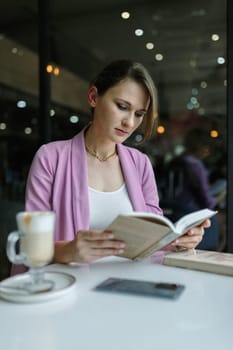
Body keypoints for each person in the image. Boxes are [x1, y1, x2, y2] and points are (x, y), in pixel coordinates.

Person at [15, 60, 210, 271]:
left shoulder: (141, 164)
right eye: (122, 107)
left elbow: (151, 240)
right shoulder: (50, 158)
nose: (129, 123)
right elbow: (30, 246)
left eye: (139, 114)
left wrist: (179, 240)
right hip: (70, 287)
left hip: (129, 284)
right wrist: (68, 251)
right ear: (93, 97)